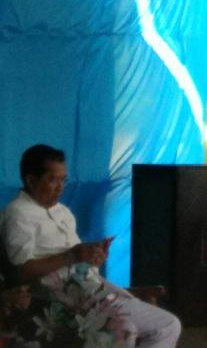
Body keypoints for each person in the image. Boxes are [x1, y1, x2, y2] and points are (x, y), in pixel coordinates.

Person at [0, 144, 181, 348]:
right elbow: (22, 271)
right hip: (58, 299)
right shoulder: (17, 214)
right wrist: (72, 256)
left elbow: (77, 258)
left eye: (63, 180)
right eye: (53, 180)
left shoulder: (62, 213)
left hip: (91, 289)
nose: (60, 187)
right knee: (127, 330)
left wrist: (93, 258)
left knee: (168, 325)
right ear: (31, 180)